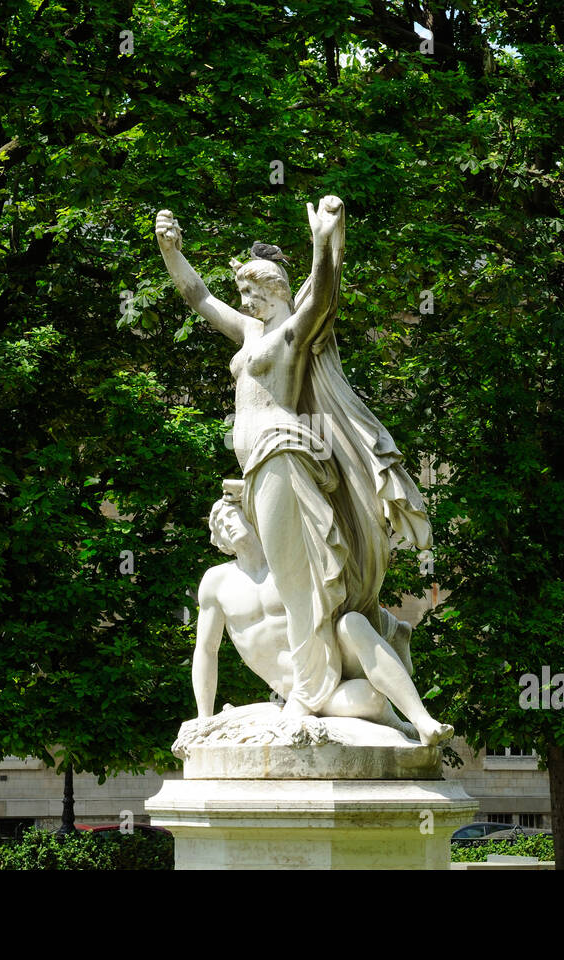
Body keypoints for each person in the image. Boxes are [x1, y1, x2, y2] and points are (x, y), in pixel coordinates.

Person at [156, 197, 437, 736]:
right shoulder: (251, 332)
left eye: (253, 294)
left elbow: (323, 297)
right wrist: (171, 251)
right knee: (290, 574)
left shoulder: (290, 334)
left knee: (292, 578)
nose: (245, 302)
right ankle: (320, 682)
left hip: (280, 452)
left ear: (278, 291)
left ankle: (307, 691)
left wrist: (323, 243)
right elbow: (199, 297)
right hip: (258, 467)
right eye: (243, 295)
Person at [194, 487, 452, 743]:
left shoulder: (292, 563)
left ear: (253, 513)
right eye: (219, 524)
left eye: (231, 515)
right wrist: (204, 718)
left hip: (332, 658)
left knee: (352, 622)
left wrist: (256, 488)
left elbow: (320, 519)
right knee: (371, 699)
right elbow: (206, 649)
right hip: (303, 692)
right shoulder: (217, 581)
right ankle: (397, 721)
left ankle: (422, 721)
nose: (226, 525)